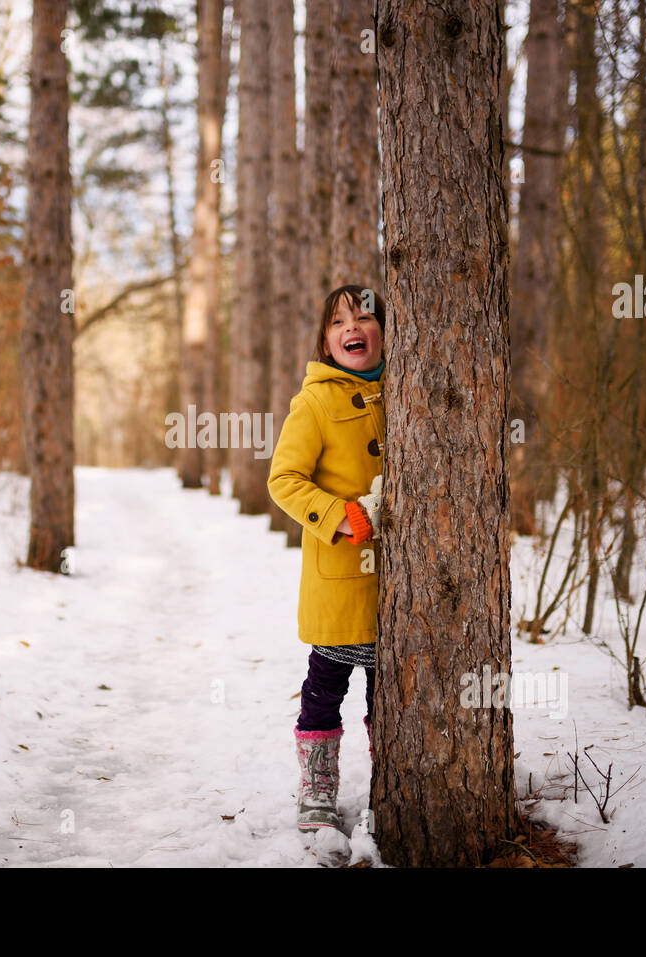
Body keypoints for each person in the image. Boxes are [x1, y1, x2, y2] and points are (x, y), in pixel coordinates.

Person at [267, 283, 385, 832]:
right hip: (340, 574)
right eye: (339, 323)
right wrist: (337, 514)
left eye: (364, 317)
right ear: (325, 341)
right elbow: (284, 479)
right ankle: (317, 788)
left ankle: (396, 779)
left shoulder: (407, 389)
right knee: (324, 688)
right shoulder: (314, 400)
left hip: (400, 580)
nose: (352, 328)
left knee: (394, 692)